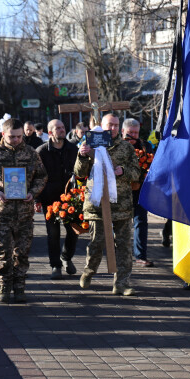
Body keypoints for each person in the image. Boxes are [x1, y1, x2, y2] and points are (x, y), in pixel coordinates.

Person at [0, 118, 47, 304]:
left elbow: (42, 176)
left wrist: (33, 193)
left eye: (18, 136)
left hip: (24, 211)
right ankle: (4, 286)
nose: (16, 140)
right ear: (3, 134)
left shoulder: (31, 153)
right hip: (2, 211)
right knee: (4, 252)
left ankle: (20, 287)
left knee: (22, 253)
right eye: (12, 137)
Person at [75, 114, 141, 296]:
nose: (112, 128)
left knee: (124, 246)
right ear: (101, 126)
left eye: (116, 125)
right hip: (97, 204)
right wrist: (82, 156)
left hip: (121, 204)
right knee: (97, 242)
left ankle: (122, 283)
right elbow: (79, 173)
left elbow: (137, 172)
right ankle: (89, 271)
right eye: (109, 125)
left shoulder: (126, 147)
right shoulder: (90, 145)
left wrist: (123, 171)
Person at [36, 119, 79, 279]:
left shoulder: (73, 149)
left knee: (73, 231)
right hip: (50, 199)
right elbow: (35, 176)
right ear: (50, 132)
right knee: (53, 234)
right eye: (57, 128)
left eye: (63, 127)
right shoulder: (41, 152)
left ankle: (66, 257)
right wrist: (37, 199)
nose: (62, 130)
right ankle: (56, 265)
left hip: (70, 199)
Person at [121, 118, 155, 267]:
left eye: (136, 133)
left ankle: (140, 255)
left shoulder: (146, 146)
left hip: (140, 190)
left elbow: (154, 165)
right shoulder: (117, 146)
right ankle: (119, 254)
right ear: (123, 132)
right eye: (130, 133)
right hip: (120, 191)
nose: (133, 136)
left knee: (141, 221)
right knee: (121, 223)